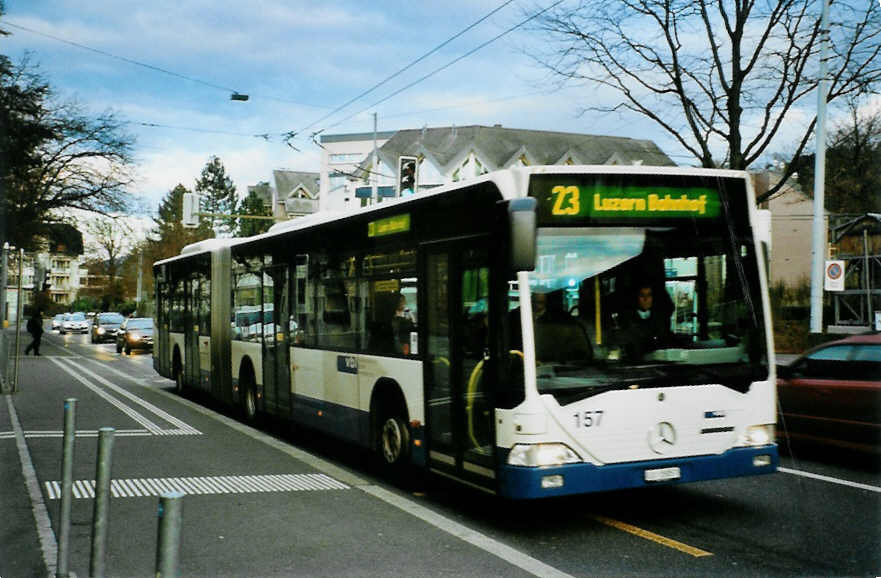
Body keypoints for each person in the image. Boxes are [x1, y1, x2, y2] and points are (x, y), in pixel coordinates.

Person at [618, 284, 670, 359]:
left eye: (649, 295)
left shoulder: (659, 320)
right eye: (642, 295)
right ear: (636, 298)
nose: (646, 299)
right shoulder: (626, 320)